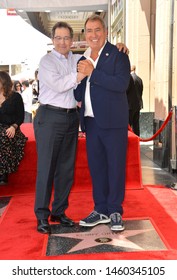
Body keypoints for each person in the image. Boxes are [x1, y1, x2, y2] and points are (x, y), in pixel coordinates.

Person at [33, 21, 129, 234]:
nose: (63, 42)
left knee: (67, 170)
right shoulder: (48, 61)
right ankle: (42, 215)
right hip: (51, 117)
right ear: (53, 40)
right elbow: (61, 86)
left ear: (73, 39)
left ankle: (63, 211)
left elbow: (118, 80)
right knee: (48, 168)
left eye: (66, 37)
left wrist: (119, 47)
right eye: (58, 38)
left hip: (77, 120)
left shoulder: (83, 58)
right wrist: (87, 73)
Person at [74, 15, 130, 231]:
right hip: (91, 122)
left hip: (113, 123)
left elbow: (121, 84)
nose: (93, 35)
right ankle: (101, 209)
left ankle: (115, 210)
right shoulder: (83, 58)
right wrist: (77, 80)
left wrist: (93, 73)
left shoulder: (118, 55)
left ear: (105, 32)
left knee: (115, 167)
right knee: (97, 168)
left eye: (97, 30)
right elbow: (79, 91)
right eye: (89, 31)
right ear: (85, 34)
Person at [0, 71, 27, 185]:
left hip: (12, 128)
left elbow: (20, 117)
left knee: (3, 136)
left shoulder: (15, 97)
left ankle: (3, 173)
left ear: (4, 81)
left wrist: (13, 127)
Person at [130, 65, 143, 136]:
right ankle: (137, 140)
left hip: (130, 105)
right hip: (138, 105)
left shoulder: (129, 78)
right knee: (136, 125)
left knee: (129, 124)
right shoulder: (139, 79)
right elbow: (141, 92)